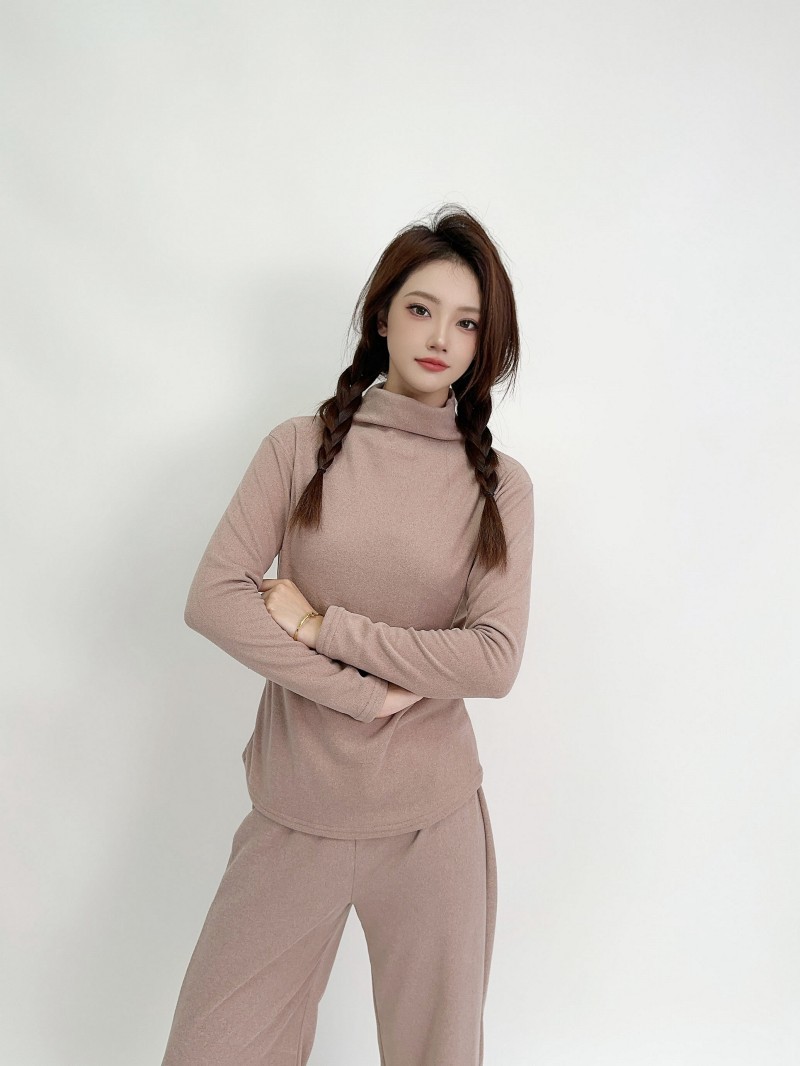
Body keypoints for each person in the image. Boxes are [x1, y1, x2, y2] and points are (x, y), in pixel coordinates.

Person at [160, 203, 535, 1066]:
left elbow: (494, 659)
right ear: (383, 316)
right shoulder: (299, 448)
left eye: (466, 322)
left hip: (432, 824)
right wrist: (359, 695)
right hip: (294, 813)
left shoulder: (501, 488)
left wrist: (325, 626)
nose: (440, 336)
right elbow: (214, 596)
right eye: (421, 308)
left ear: (485, 343)